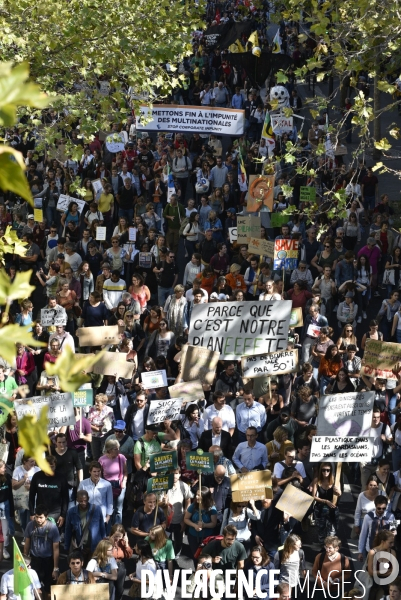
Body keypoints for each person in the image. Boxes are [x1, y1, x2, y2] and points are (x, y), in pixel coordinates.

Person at [24, 504, 61, 595]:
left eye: (41, 517)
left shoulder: (52, 528)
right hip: (35, 559)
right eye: (36, 517)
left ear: (46, 517)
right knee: (34, 587)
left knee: (49, 588)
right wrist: (25, 561)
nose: (38, 520)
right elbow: (27, 544)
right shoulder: (30, 525)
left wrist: (55, 568)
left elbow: (56, 549)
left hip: (48, 561)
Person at [64, 489, 105, 562]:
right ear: (77, 500)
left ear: (88, 499)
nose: (83, 503)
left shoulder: (97, 509)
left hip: (95, 546)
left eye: (85, 500)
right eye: (81, 501)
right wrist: (66, 547)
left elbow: (102, 526)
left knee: (93, 570)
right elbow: (68, 530)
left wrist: (103, 543)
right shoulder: (71, 512)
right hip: (81, 547)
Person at [29, 455, 69, 525]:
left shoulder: (61, 478)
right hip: (40, 513)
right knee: (40, 535)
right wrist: (32, 513)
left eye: (52, 466)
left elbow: (65, 498)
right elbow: (31, 496)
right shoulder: (37, 476)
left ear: (55, 466)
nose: (49, 469)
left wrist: (63, 515)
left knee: (54, 535)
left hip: (56, 513)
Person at [99, 438, 127, 529]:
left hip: (119, 484)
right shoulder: (102, 460)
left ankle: (118, 529)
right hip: (108, 485)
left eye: (118, 448)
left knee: (119, 509)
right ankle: (109, 528)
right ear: (109, 450)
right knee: (110, 508)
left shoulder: (121, 458)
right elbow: (99, 474)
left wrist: (124, 482)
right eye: (116, 449)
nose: (118, 450)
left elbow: (126, 472)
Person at [183, 486, 218, 558]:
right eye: (196, 494)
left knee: (206, 557)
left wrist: (204, 525)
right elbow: (186, 519)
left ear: (205, 496)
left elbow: (214, 523)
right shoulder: (193, 506)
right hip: (193, 537)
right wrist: (194, 525)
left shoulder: (212, 508)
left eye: (199, 495)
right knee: (195, 556)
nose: (196, 496)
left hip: (207, 538)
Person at [358, 495, 395, 561]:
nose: (381, 510)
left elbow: (394, 531)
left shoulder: (391, 516)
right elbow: (363, 534)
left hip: (385, 549)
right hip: (370, 548)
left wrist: (393, 532)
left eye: (384, 508)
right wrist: (360, 551)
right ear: (375, 506)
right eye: (379, 508)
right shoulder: (368, 517)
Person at [312, 463, 341, 544]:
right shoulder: (317, 480)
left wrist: (338, 491)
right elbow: (313, 497)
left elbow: (340, 493)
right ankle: (322, 546)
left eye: (328, 470)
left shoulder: (335, 480)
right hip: (320, 508)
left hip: (332, 508)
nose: (326, 472)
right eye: (323, 470)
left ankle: (330, 546)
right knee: (321, 529)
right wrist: (325, 501)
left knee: (332, 530)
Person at [78, 461, 113, 525]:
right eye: (94, 471)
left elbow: (110, 502)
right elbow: (78, 501)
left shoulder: (107, 485)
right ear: (90, 472)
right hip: (86, 517)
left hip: (102, 517)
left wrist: (107, 518)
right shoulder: (83, 484)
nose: (97, 473)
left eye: (98, 471)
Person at [108, 524, 133, 600]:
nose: (118, 539)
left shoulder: (123, 542)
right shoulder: (106, 541)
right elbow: (105, 554)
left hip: (120, 565)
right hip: (109, 566)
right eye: (116, 536)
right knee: (110, 588)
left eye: (120, 536)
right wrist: (112, 544)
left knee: (120, 589)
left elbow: (129, 555)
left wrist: (126, 544)